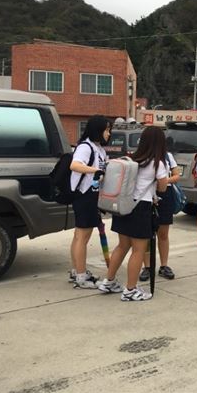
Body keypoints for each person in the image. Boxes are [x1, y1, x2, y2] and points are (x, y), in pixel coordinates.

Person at [98, 126, 169, 301]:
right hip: (141, 208)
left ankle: (109, 281)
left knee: (122, 246)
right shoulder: (157, 163)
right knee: (138, 250)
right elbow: (163, 187)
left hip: (124, 206)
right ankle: (130, 290)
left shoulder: (133, 159)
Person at [69, 115, 111, 289]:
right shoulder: (86, 147)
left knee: (79, 236)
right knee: (82, 237)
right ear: (97, 130)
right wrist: (96, 170)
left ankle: (77, 270)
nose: (109, 133)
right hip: (84, 195)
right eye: (107, 129)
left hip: (92, 196)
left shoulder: (98, 148)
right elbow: (75, 165)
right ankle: (80, 277)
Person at [139, 140, 181, 281]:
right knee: (147, 234)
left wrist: (164, 181)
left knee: (163, 233)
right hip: (147, 196)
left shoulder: (167, 156)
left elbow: (176, 175)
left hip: (165, 195)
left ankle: (164, 266)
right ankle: (147, 267)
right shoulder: (143, 157)